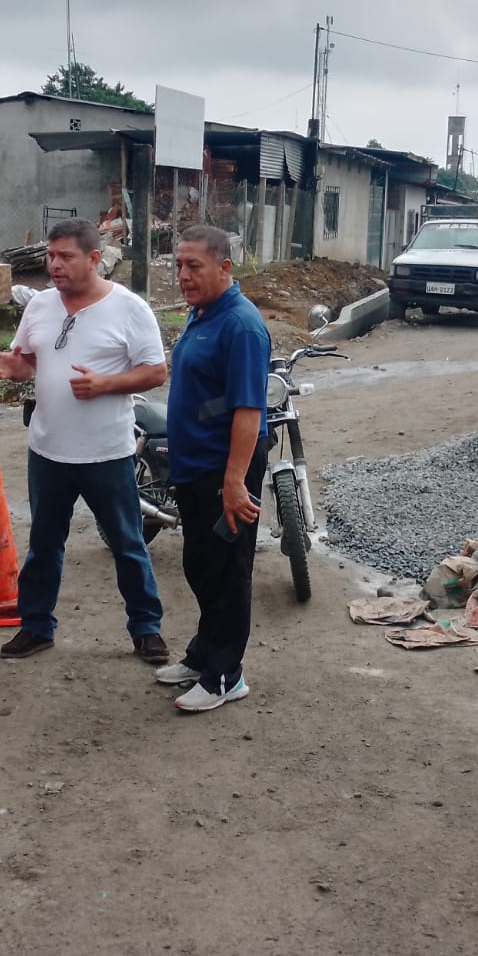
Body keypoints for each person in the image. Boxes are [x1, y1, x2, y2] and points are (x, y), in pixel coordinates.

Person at [0, 219, 170, 663]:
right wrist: (14, 369)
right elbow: (29, 361)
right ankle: (36, 627)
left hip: (107, 453)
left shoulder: (129, 308)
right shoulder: (40, 306)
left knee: (128, 544)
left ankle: (146, 629)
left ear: (94, 259)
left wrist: (106, 384)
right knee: (44, 545)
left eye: (66, 256)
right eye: (51, 256)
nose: (55, 265)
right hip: (48, 451)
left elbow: (155, 372)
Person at [156, 225, 272, 713]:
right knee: (200, 565)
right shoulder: (202, 312)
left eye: (194, 266)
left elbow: (248, 410)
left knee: (227, 572)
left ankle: (226, 675)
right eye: (178, 266)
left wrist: (234, 482)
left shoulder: (241, 325)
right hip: (196, 467)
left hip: (225, 469)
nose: (183, 276)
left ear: (225, 268)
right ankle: (204, 653)